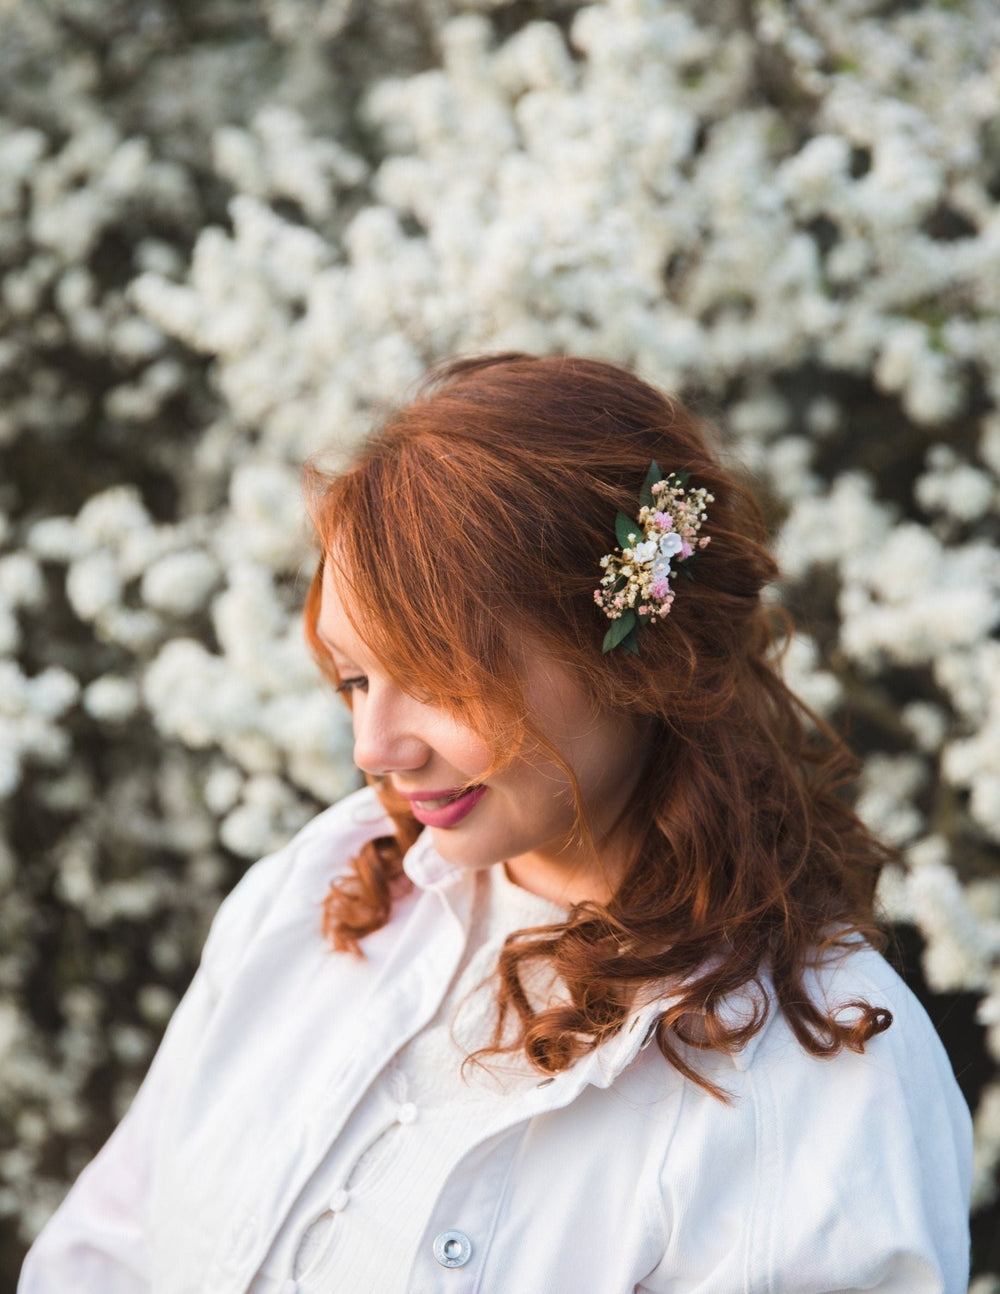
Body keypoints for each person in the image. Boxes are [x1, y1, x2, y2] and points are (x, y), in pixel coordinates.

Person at [20, 353, 972, 1292]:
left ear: (639, 660)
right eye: (354, 679)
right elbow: (104, 1251)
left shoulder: (818, 1079)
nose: (375, 747)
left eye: (440, 681)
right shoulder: (320, 884)